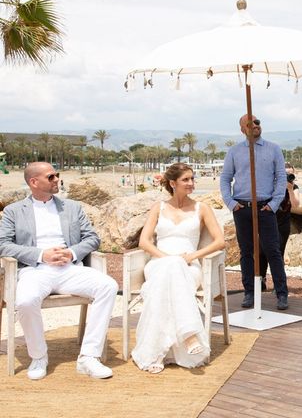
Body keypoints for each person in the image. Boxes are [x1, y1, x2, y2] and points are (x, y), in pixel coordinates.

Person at [0, 162, 117, 380]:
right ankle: (38, 356)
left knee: (108, 286)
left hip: (69, 268)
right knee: (25, 301)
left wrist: (71, 253)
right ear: (34, 182)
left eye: (57, 175)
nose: (57, 180)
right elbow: (3, 244)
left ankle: (89, 357)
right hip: (34, 270)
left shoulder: (72, 207)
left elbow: (92, 238)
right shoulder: (13, 211)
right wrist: (40, 254)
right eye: (51, 177)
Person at [132, 163, 225, 374]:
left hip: (189, 265)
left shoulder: (202, 208)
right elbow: (144, 242)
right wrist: (167, 258)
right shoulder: (159, 207)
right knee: (171, 267)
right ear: (172, 183)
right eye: (186, 180)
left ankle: (156, 353)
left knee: (172, 273)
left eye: (192, 179)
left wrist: (192, 256)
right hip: (159, 263)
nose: (191, 183)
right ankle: (189, 335)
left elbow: (219, 241)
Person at [220, 114, 289, 310]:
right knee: (246, 252)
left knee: (272, 250)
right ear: (243, 129)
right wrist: (231, 203)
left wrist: (274, 203)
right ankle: (249, 292)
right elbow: (225, 178)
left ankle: (282, 293)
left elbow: (281, 178)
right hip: (242, 208)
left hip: (265, 208)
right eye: (250, 124)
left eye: (258, 122)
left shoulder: (274, 149)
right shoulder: (234, 152)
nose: (255, 125)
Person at [259, 162, 300, 291]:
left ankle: (279, 283)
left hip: (283, 224)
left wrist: (290, 190)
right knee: (262, 251)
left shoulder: (294, 187)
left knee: (278, 252)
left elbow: (296, 205)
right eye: (285, 173)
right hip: (268, 221)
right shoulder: (272, 186)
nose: (288, 176)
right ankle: (261, 279)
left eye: (290, 174)